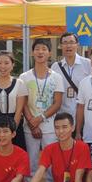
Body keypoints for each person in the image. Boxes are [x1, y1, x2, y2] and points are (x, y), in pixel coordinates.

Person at [19, 39, 64, 175]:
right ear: (32, 52)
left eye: (44, 49)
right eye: (37, 49)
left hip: (50, 127)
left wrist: (40, 118)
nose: (40, 52)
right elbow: (23, 103)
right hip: (29, 127)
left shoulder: (56, 77)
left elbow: (57, 103)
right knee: (30, 162)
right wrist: (32, 124)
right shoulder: (24, 77)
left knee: (51, 162)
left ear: (49, 53)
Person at [50, 32, 92, 121]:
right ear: (60, 46)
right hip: (62, 116)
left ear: (77, 45)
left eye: (71, 42)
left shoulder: (88, 64)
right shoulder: (55, 67)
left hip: (84, 115)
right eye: (65, 43)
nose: (68, 46)